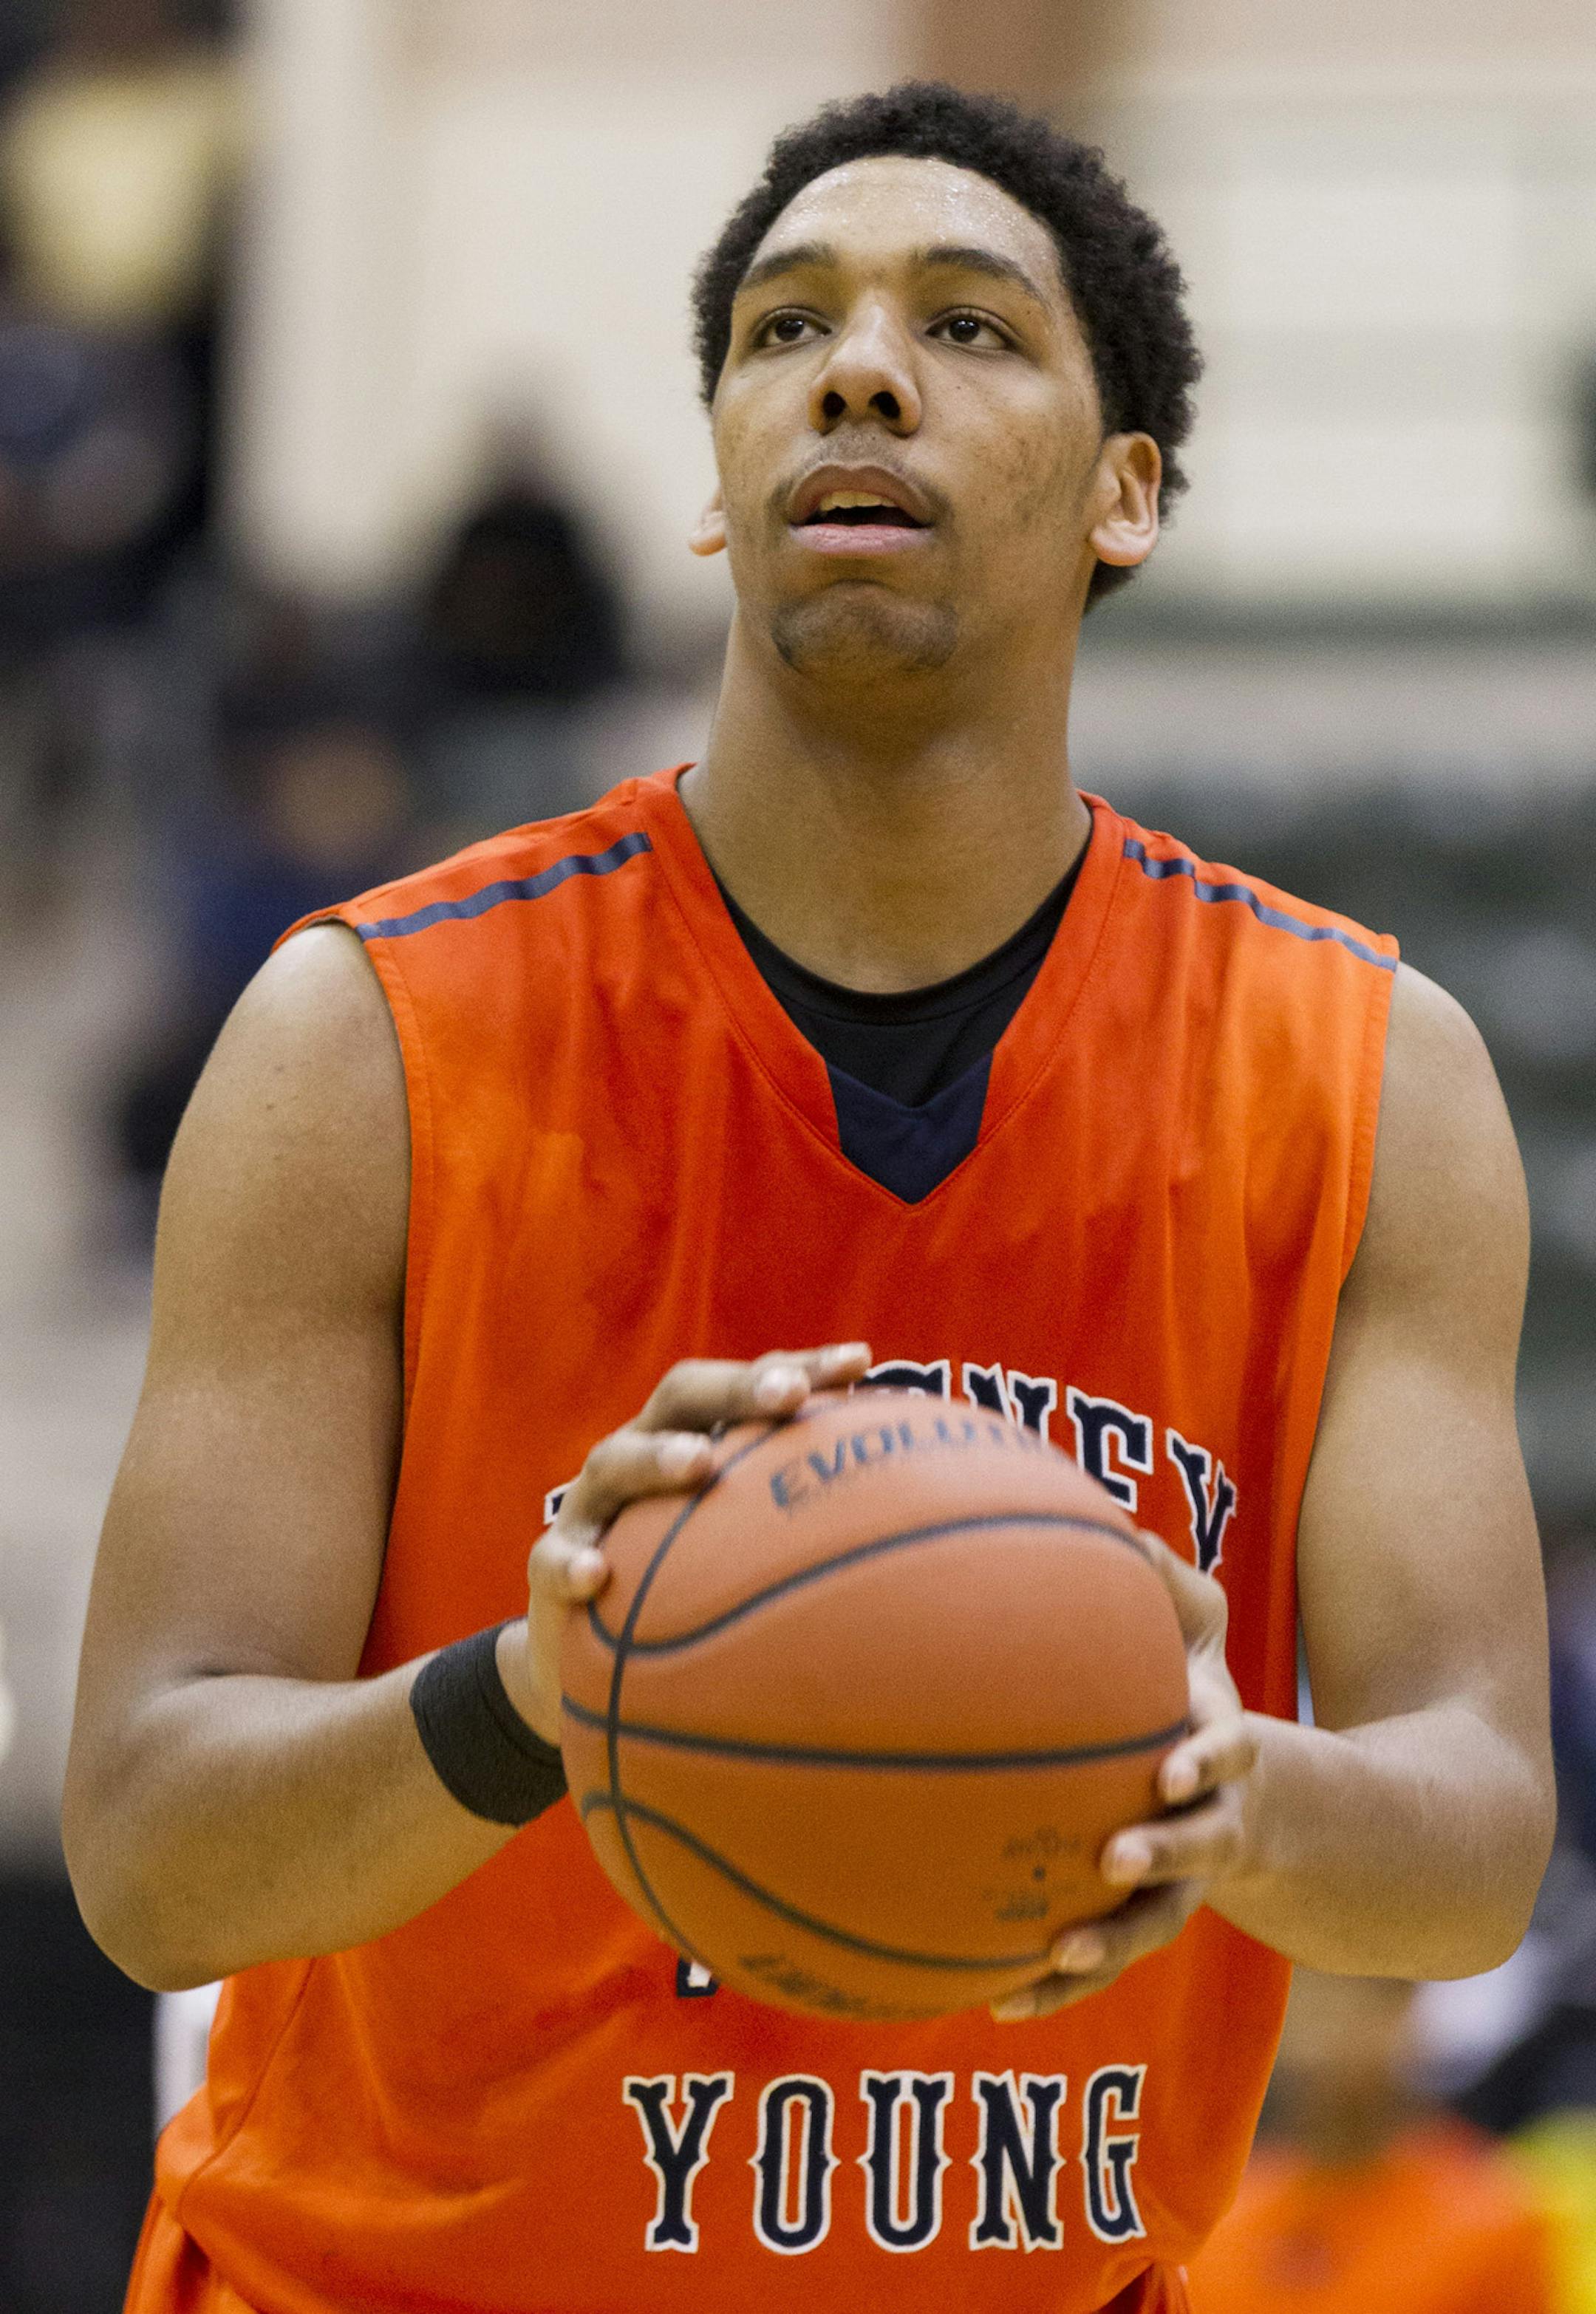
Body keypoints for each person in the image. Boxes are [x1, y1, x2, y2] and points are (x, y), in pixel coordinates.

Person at [62, 83, 1554, 2314]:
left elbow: (1477, 1838)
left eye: (969, 325)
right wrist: (531, 1697)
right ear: (714, 493)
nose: (858, 368)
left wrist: (1227, 1790)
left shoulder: (1359, 1076)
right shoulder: (368, 1038)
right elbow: (154, 1854)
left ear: (1128, 492)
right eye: (785, 332)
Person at [1184, 1970, 1555, 2313]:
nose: (1316, 2041)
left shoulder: (1493, 2221)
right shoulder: (1207, 2220)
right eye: (1301, 2004)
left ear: (1404, 2006)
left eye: (1344, 2006)